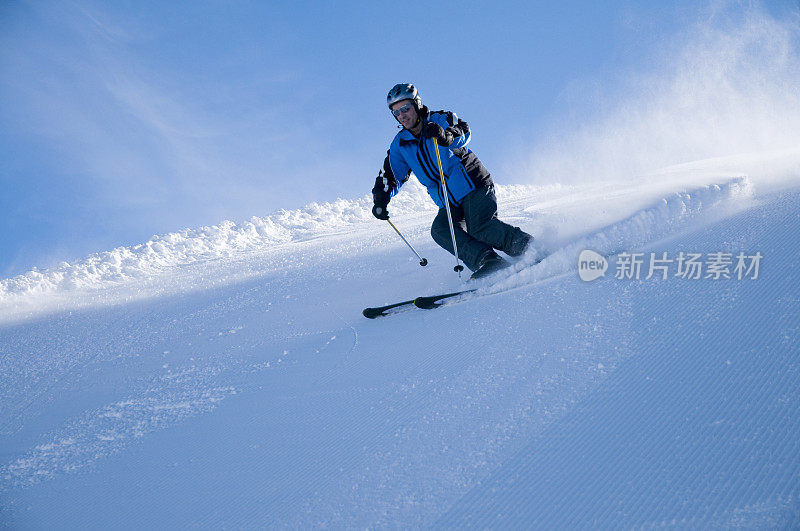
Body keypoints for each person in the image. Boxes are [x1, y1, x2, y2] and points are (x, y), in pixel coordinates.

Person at [372, 83, 539, 279]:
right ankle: (488, 261)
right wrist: (380, 199)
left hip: (473, 185)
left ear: (417, 105)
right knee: (441, 230)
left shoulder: (440, 120)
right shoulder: (401, 143)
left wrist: (446, 136)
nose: (402, 115)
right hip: (449, 201)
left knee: (480, 226)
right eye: (396, 112)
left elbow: (463, 131)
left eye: (406, 108)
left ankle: (529, 247)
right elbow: (391, 174)